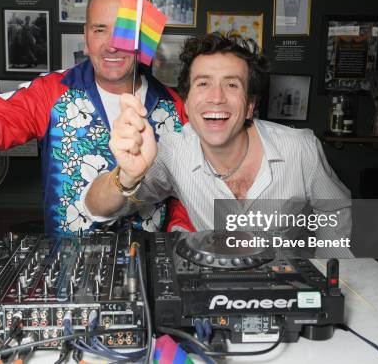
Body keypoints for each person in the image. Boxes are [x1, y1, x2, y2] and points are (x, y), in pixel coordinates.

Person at [0, 0, 188, 236]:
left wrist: (179, 237)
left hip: (145, 265)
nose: (112, 44)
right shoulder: (51, 93)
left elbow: (186, 192)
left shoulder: (175, 107)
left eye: (123, 31)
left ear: (140, 36)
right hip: (66, 266)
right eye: (99, 29)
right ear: (86, 37)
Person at [83, 32, 353, 256]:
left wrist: (321, 278)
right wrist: (127, 175)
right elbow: (98, 207)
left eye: (232, 85)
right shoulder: (173, 151)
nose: (216, 97)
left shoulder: (301, 148)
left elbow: (336, 209)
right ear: (186, 104)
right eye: (203, 84)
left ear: (249, 106)